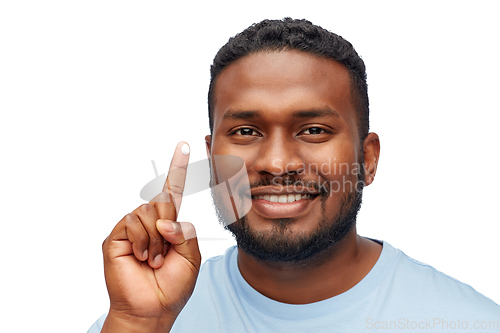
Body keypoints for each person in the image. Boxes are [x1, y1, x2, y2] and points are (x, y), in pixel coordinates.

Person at [88, 18, 500, 332]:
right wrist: (136, 323)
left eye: (314, 130)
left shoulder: (471, 323)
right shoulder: (144, 314)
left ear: (368, 158)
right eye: (246, 131)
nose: (278, 163)